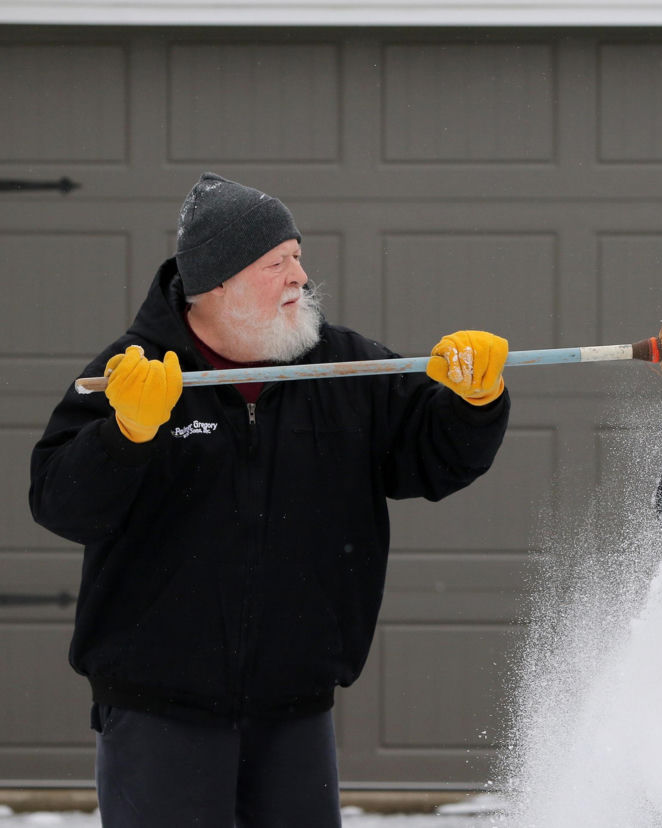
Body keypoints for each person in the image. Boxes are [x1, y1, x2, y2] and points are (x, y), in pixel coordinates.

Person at [28, 172, 510, 828]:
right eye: (276, 262)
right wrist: (127, 434)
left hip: (294, 710)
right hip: (157, 711)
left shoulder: (341, 368)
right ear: (216, 283)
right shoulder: (133, 371)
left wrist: (473, 403)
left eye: (298, 257)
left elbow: (433, 456)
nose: (299, 276)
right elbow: (59, 500)